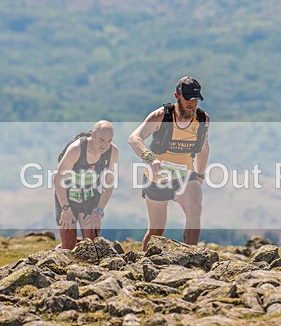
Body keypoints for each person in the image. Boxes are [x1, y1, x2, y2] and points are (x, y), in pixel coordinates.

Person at [128, 76, 210, 251]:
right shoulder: (161, 116)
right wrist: (151, 160)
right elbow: (134, 139)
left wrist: (200, 175)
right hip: (157, 177)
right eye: (188, 98)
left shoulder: (202, 119)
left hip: (185, 174)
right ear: (177, 96)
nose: (192, 103)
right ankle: (145, 263)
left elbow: (203, 147)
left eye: (196, 99)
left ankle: (190, 256)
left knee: (195, 209)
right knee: (156, 230)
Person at [53, 120, 119, 250]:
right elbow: (57, 178)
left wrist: (98, 211)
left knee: (92, 245)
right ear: (93, 135)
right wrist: (65, 209)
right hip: (67, 198)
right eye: (101, 140)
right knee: (68, 247)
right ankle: (60, 250)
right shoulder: (76, 149)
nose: (105, 145)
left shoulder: (112, 152)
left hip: (89, 198)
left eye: (109, 140)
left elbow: (109, 183)